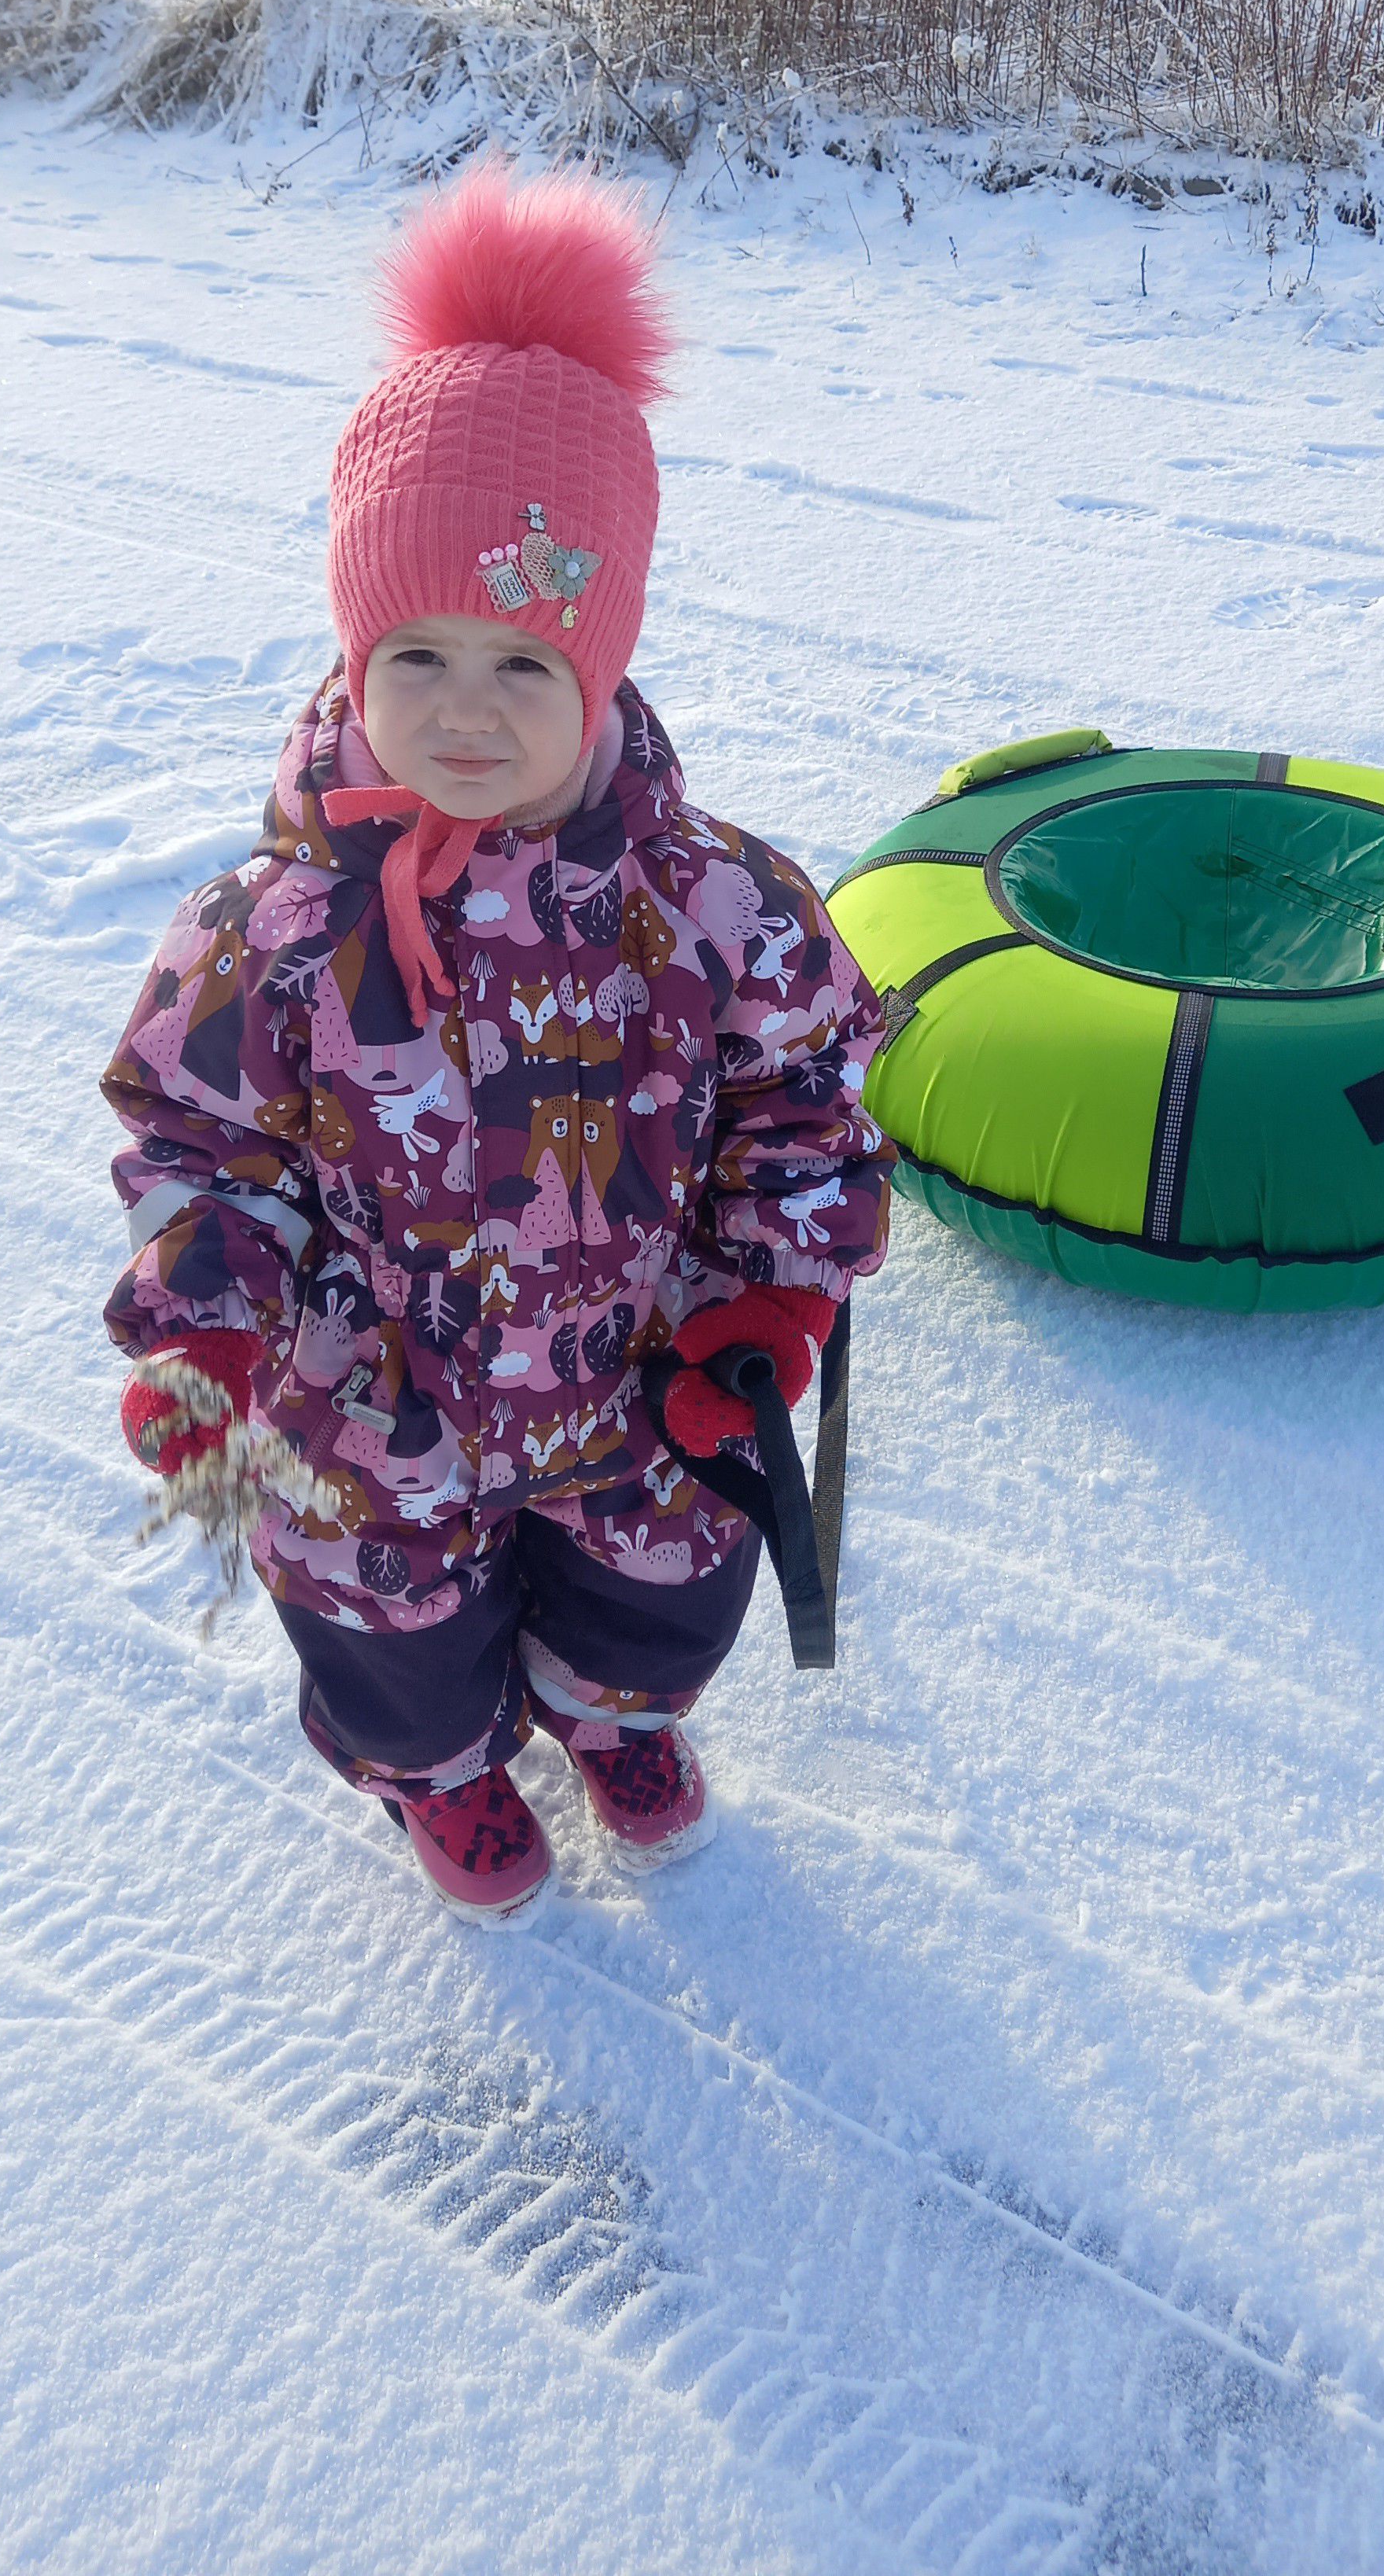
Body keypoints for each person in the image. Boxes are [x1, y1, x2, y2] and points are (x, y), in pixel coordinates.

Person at [99, 164, 893, 1924]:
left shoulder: (713, 909)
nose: (465, 707)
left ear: (602, 663)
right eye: (417, 652)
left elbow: (810, 1101)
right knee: (387, 1613)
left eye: (526, 663)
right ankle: (443, 1777)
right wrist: (212, 1315)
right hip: (370, 1389)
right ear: (352, 649)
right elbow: (200, 1142)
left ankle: (615, 1724)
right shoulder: (276, 930)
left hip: (642, 1368)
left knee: (663, 1582)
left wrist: (770, 1294)